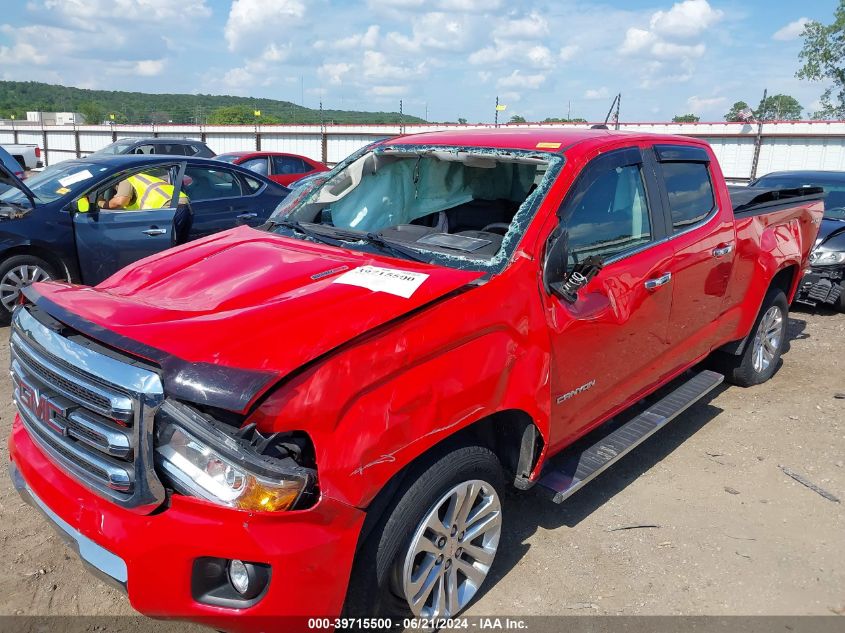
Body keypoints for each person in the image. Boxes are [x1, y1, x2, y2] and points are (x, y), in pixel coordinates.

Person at [98, 172, 189, 210]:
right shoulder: (139, 176)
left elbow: (120, 201)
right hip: (181, 202)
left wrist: (101, 203)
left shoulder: (125, 178)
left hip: (169, 206)